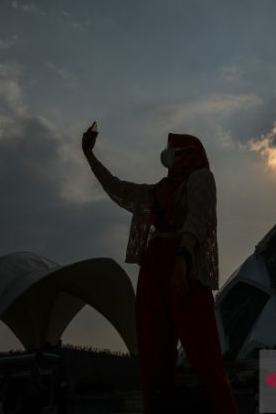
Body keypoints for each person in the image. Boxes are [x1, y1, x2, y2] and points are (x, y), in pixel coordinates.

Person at [82, 123, 237, 414]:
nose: (168, 157)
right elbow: (117, 188)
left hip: (183, 263)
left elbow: (198, 219)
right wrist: (89, 156)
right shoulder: (159, 190)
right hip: (153, 265)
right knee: (153, 349)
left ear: (187, 154)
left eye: (174, 151)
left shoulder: (202, 178)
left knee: (202, 345)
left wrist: (182, 257)